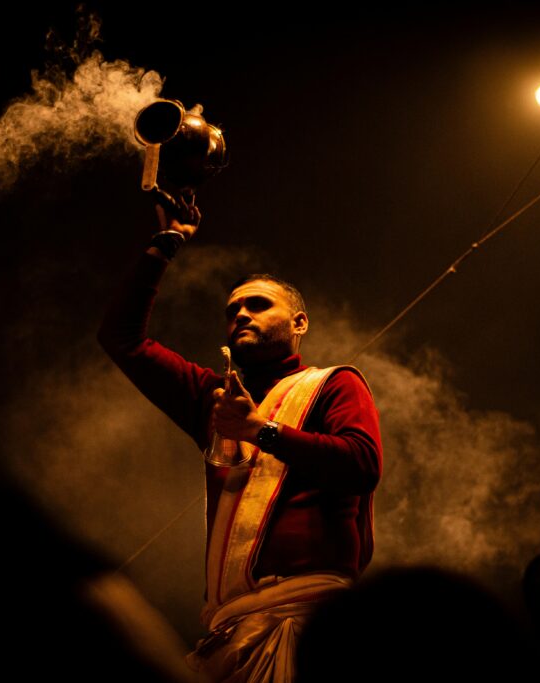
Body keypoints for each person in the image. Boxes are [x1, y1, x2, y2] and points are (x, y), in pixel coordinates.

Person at [98, 196, 382, 683]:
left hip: (307, 621)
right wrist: (163, 246)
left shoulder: (334, 383)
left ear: (299, 323)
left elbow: (362, 465)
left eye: (258, 305)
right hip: (227, 630)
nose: (241, 316)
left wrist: (259, 432)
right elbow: (121, 338)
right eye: (232, 311)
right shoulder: (215, 398)